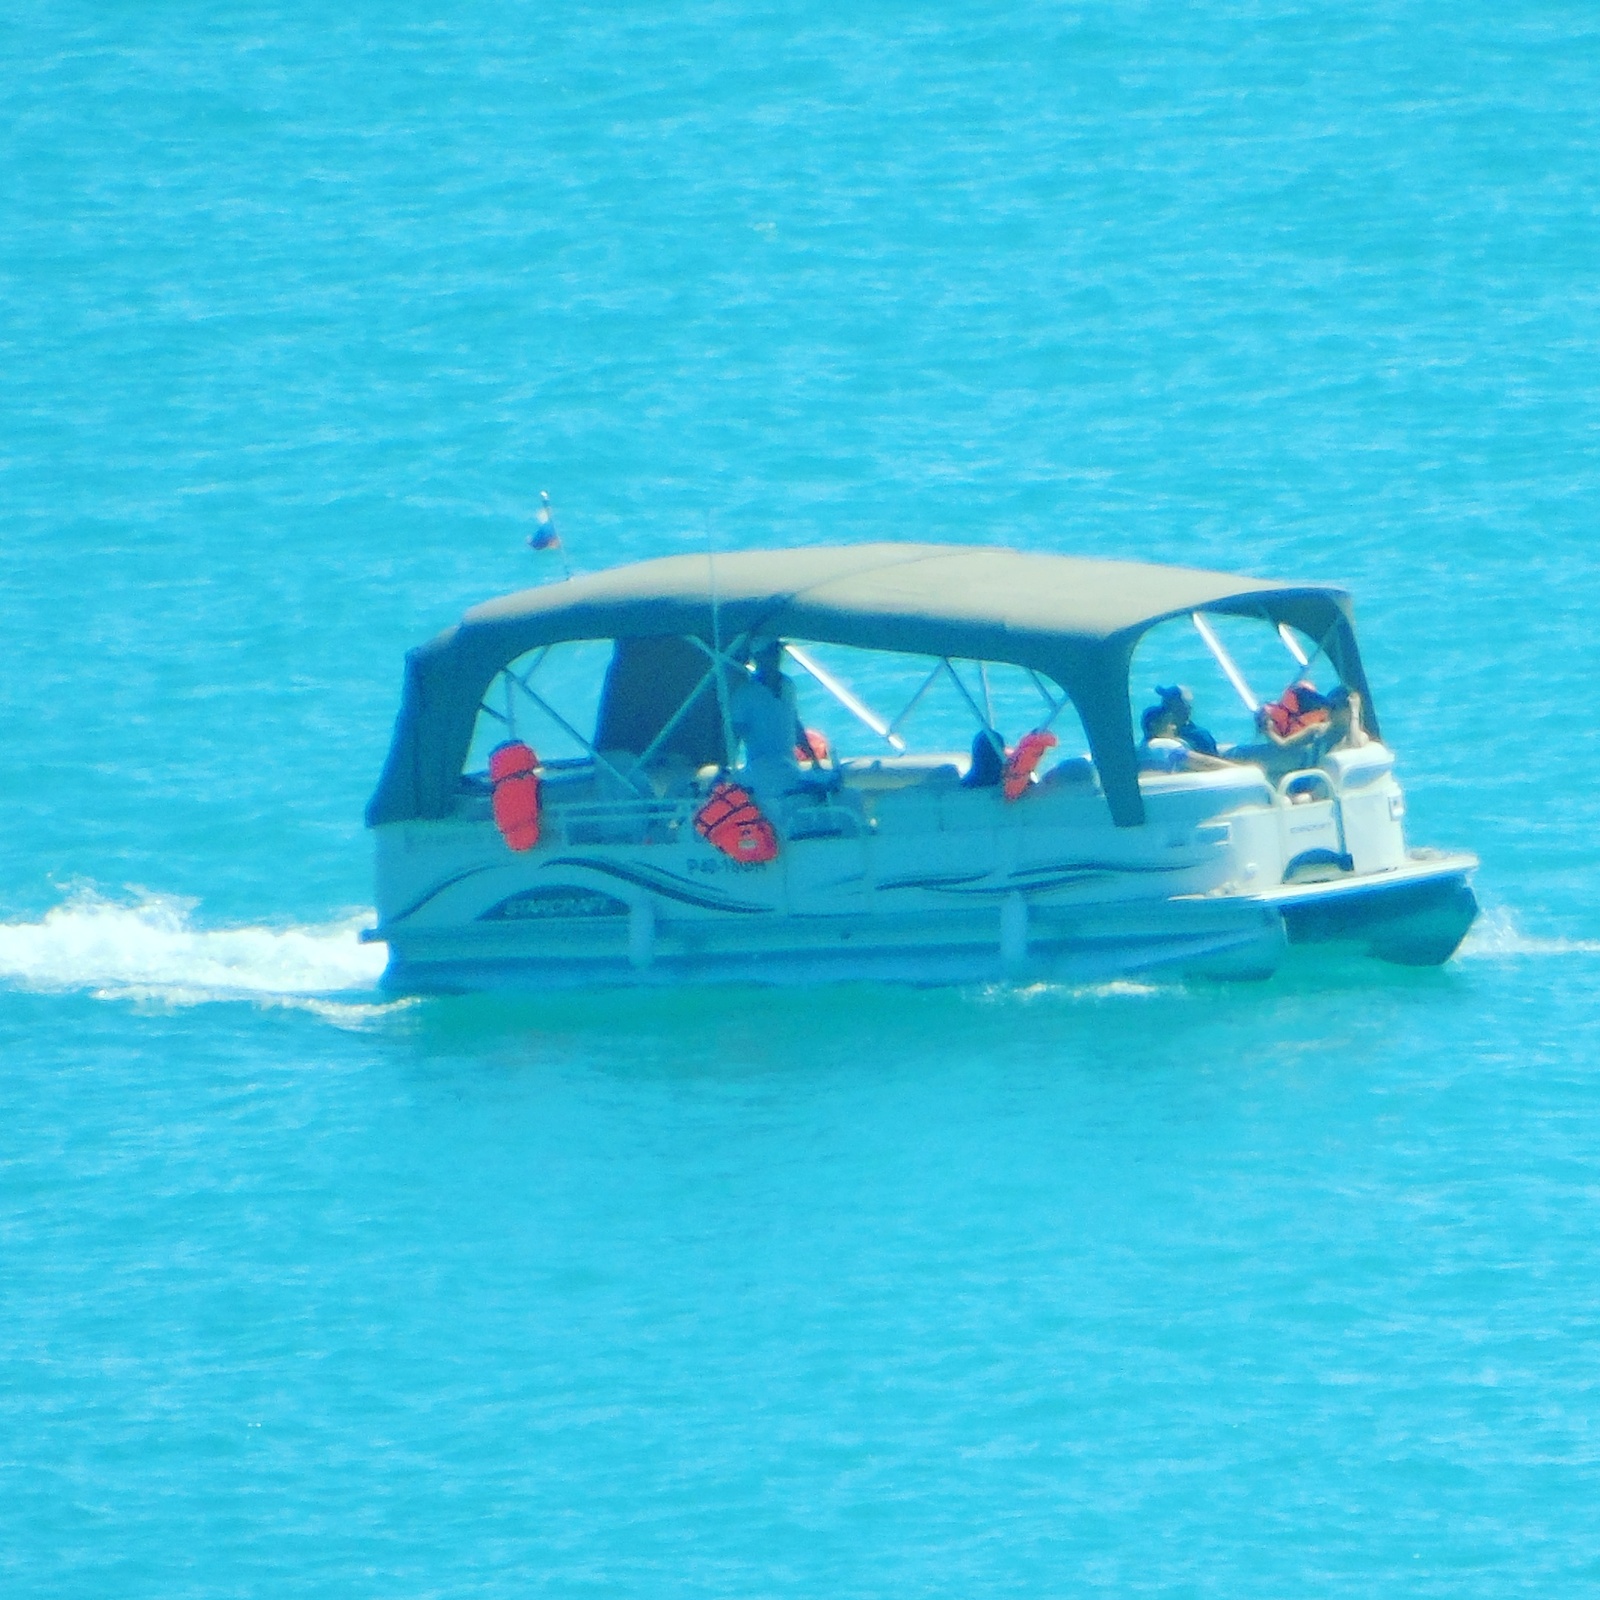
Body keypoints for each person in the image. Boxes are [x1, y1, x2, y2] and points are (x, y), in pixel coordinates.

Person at [729, 640, 831, 801]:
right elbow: (735, 734)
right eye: (770, 653)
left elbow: (795, 723)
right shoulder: (745, 694)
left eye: (777, 652)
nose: (776, 657)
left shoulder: (788, 685)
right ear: (758, 657)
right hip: (761, 766)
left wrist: (814, 760)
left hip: (789, 764)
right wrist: (729, 768)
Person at [1139, 685, 1218, 756]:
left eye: (1170, 701)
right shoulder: (1157, 727)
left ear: (1185, 709)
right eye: (1165, 701)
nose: (1164, 705)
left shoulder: (1199, 736)